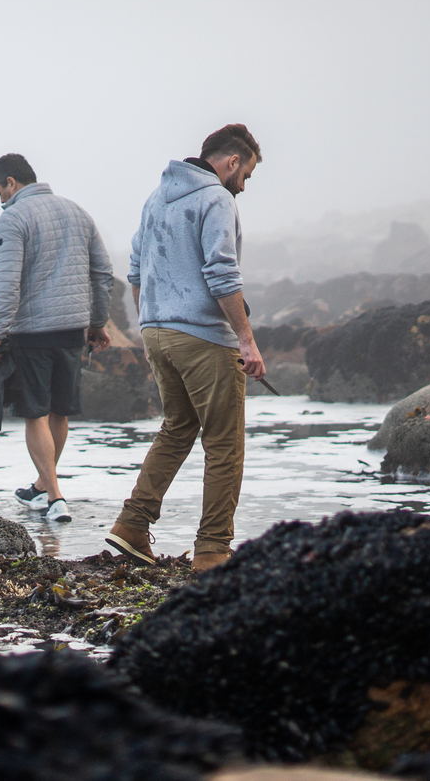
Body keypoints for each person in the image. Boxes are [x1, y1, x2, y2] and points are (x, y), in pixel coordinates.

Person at [105, 124, 266, 572]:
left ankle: (132, 524)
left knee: (177, 427)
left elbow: (135, 270)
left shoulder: (157, 199)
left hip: (157, 332)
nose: (244, 185)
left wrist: (150, 324)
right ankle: (213, 552)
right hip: (202, 338)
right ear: (232, 161)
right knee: (225, 444)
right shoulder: (216, 199)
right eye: (246, 174)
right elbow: (221, 272)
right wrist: (246, 340)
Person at [0, 152, 114, 523]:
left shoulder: (13, 220)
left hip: (33, 333)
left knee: (35, 413)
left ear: (11, 182)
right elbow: (103, 272)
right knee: (59, 411)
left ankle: (55, 498)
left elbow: (7, 285)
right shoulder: (77, 212)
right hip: (73, 329)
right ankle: (42, 486)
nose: (1, 201)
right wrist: (97, 322)